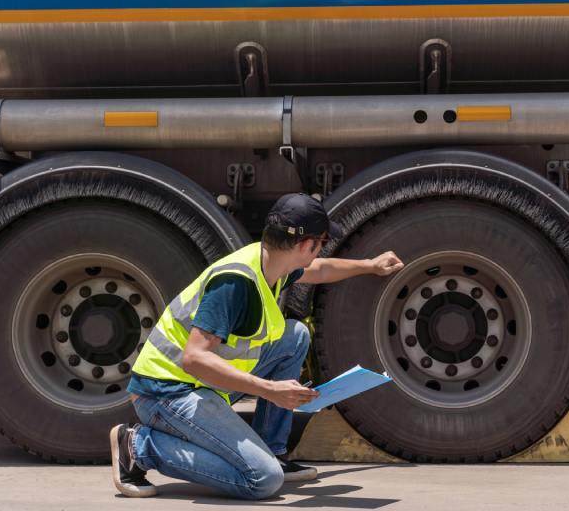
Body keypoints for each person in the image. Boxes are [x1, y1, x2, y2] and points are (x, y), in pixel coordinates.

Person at [109, 193, 405, 499]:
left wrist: (370, 265)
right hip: (165, 393)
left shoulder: (271, 262)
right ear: (305, 245)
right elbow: (194, 358)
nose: (322, 248)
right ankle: (139, 446)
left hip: (201, 385)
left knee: (294, 336)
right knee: (262, 479)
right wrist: (268, 389)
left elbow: (320, 270)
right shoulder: (235, 284)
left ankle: (272, 449)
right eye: (323, 241)